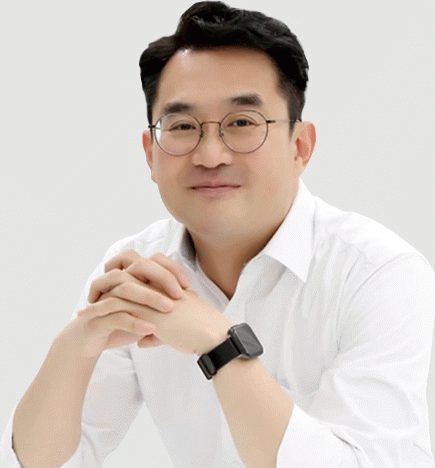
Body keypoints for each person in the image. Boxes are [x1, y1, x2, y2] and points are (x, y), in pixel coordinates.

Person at [2, 1, 435, 467]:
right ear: (150, 154)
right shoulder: (138, 272)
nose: (210, 155)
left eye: (242, 123)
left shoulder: (379, 274)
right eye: (183, 126)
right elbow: (44, 463)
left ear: (300, 146)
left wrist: (219, 342)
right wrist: (76, 342)